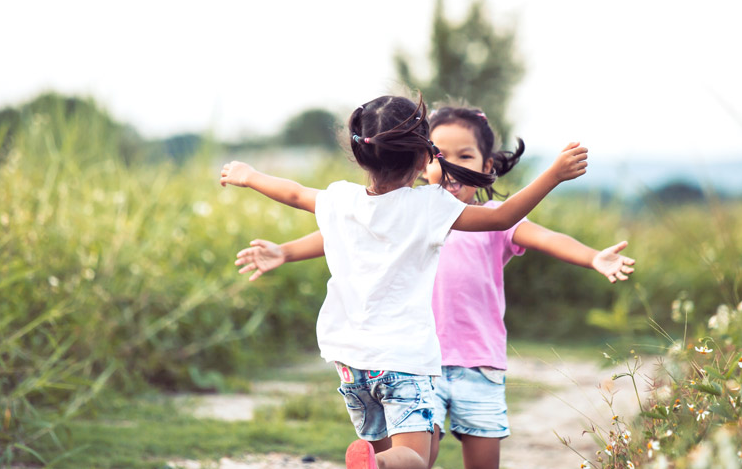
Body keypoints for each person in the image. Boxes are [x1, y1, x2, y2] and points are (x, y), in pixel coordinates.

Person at [232, 105, 634, 469]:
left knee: (431, 452)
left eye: (465, 156)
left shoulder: (357, 201)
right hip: (414, 361)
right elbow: (344, 237)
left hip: (421, 361)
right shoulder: (428, 208)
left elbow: (295, 193)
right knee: (416, 458)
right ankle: (383, 463)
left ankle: (377, 460)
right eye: (442, 154)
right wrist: (553, 175)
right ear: (425, 160)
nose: (452, 165)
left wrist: (249, 177)